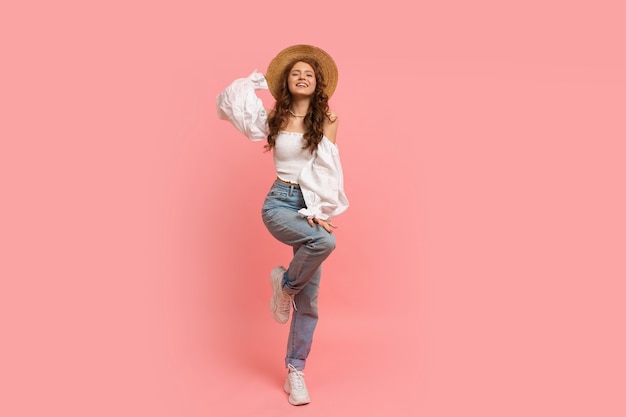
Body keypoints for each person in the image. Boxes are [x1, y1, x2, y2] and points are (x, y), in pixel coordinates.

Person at [215, 44, 348, 406]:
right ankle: (285, 285)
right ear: (287, 83)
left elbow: (326, 170)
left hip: (311, 203)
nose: (302, 76)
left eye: (308, 73)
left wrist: (321, 209)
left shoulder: (328, 120)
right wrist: (253, 82)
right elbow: (231, 101)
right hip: (280, 203)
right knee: (326, 245)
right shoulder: (275, 118)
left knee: (311, 301)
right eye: (295, 73)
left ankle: (296, 371)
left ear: (317, 81)